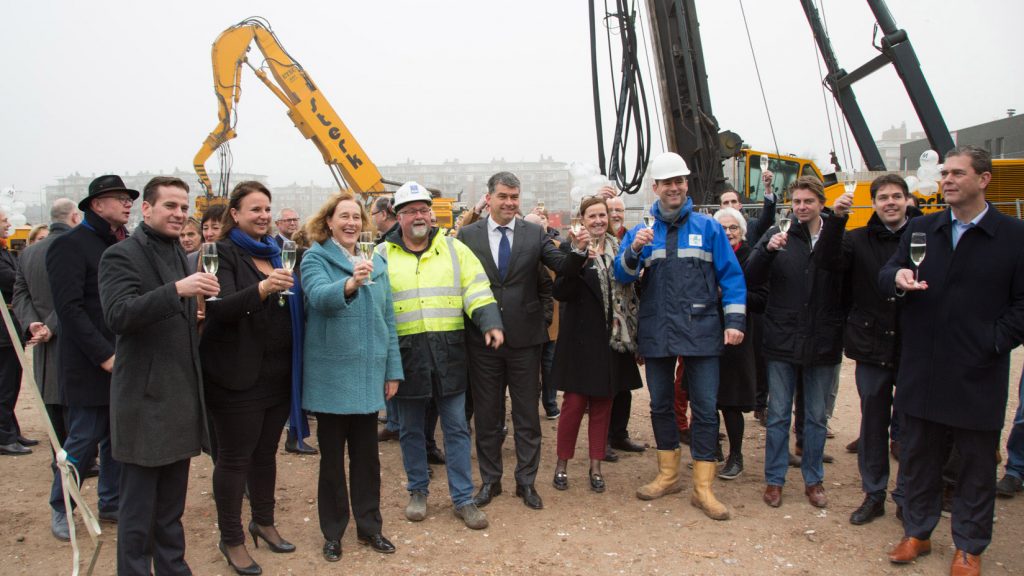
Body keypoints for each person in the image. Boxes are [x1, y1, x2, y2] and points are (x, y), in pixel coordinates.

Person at [880, 146, 1024, 575]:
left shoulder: (1013, 236)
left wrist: (992, 342)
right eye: (944, 173)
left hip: (977, 372)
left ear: (983, 180)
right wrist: (898, 278)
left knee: (975, 464)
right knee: (919, 456)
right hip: (923, 368)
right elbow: (888, 273)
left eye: (958, 173)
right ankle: (918, 533)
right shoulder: (923, 228)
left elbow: (1022, 305)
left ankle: (969, 545)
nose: (947, 180)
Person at [613, 152, 746, 521]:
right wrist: (634, 249)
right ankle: (668, 474)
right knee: (660, 406)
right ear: (655, 187)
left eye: (679, 181)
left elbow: (732, 277)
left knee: (704, 408)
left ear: (686, 185)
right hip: (657, 331)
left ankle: (703, 486)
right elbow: (620, 276)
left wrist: (734, 322)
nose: (674, 188)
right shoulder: (643, 232)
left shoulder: (709, 228)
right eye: (667, 182)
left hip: (702, 331)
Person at [98, 176, 217, 574]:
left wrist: (193, 314)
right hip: (145, 404)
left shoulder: (178, 255)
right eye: (170, 206)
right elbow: (119, 315)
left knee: (170, 510)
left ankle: (173, 569)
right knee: (137, 515)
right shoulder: (121, 255)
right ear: (146, 209)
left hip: (179, 399)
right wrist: (177, 292)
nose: (180, 214)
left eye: (184, 207)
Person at [382, 181, 502, 530]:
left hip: (448, 352)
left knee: (456, 429)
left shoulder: (453, 249)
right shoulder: (381, 255)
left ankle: (462, 498)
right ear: (398, 217)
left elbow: (477, 290)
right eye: (410, 211)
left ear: (431, 214)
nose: (419, 216)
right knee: (410, 430)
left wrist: (489, 322)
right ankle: (417, 490)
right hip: (405, 356)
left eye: (423, 210)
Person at [200, 181, 300, 575]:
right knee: (234, 459)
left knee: (265, 455)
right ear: (235, 215)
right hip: (235, 376)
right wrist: (263, 287)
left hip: (277, 373)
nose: (263, 215)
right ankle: (232, 539)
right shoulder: (220, 252)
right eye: (254, 209)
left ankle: (264, 521)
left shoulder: (277, 251)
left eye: (267, 208)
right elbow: (219, 307)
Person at [301, 192, 402, 562]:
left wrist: (393, 369)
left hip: (367, 373)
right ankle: (333, 532)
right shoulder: (315, 257)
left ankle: (370, 527)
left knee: (367, 458)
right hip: (331, 376)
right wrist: (350, 284)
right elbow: (317, 298)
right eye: (343, 216)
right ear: (328, 221)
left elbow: (387, 319)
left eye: (356, 217)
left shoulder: (375, 260)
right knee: (331, 460)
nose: (351, 223)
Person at [458, 171, 565, 510]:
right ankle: (491, 482)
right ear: (488, 198)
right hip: (482, 342)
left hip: (525, 341)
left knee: (526, 417)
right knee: (488, 417)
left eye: (515, 197)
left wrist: (577, 252)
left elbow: (558, 266)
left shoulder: (534, 233)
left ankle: (526, 482)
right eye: (503, 196)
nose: (509, 203)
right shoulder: (467, 235)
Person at [745, 175, 848, 509]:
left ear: (821, 203)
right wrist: (767, 252)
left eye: (809, 202)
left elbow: (842, 278)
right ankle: (774, 480)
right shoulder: (779, 235)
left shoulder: (835, 236)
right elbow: (750, 275)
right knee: (777, 415)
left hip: (821, 338)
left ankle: (813, 479)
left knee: (816, 416)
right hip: (782, 337)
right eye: (797, 202)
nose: (802, 208)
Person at [45, 175, 135, 540]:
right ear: (96, 205)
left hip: (124, 356)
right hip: (90, 361)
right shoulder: (70, 245)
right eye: (120, 199)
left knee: (116, 437)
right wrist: (103, 354)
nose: (128, 204)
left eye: (131, 199)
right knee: (83, 438)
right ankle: (62, 506)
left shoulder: (123, 242)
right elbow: (69, 309)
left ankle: (111, 502)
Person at [839, 174, 919, 525]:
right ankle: (874, 494)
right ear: (873, 203)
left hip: (915, 345)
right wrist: (835, 219)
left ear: (907, 200)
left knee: (911, 426)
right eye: (883, 197)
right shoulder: (857, 240)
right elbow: (830, 265)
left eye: (897, 196)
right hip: (872, 345)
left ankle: (906, 496)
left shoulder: (926, 238)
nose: (890, 202)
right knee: (873, 425)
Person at [551, 196, 642, 493]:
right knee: (574, 405)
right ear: (582, 219)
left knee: (604, 405)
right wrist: (577, 254)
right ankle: (562, 464)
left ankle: (596, 466)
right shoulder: (572, 248)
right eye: (592, 216)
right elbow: (561, 291)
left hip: (611, 342)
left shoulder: (620, 252)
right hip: (580, 344)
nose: (599, 221)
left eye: (603, 215)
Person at [13, 198, 81, 454]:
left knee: (52, 404)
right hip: (73, 340)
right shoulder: (77, 248)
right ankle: (76, 461)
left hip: (44, 344)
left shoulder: (29, 253)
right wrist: (50, 326)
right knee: (77, 409)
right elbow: (74, 294)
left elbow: (20, 294)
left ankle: (59, 456)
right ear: (75, 217)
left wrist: (33, 323)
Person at [712, 207, 766, 480]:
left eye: (733, 228)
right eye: (722, 228)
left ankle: (736, 455)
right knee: (706, 398)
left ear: (742, 231)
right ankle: (711, 451)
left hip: (737, 337)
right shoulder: (709, 257)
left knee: (731, 402)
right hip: (708, 333)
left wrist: (732, 294)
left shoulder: (751, 258)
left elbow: (761, 299)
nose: (728, 233)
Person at [525, 212, 560, 421]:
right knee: (539, 364)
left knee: (545, 364)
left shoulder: (554, 247)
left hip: (548, 317)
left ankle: (548, 405)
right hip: (533, 318)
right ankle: (547, 405)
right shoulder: (553, 245)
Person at [0, 207, 30, 456]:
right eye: (3, 220)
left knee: (12, 383)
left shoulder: (3, 250)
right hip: (2, 330)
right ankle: (4, 436)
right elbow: (11, 279)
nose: (8, 223)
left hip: (11, 327)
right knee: (4, 384)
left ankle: (11, 429)